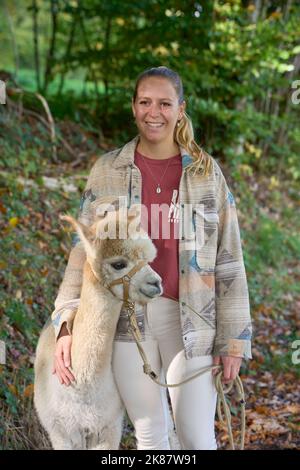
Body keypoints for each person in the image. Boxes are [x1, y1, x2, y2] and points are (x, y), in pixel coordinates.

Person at [51, 66, 252, 450]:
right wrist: (65, 322)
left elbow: (230, 258)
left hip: (193, 323)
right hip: (128, 324)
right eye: (145, 102)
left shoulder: (207, 174)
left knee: (195, 437)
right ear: (133, 107)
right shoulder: (107, 171)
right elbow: (84, 254)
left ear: (181, 109)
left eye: (164, 103)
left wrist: (234, 341)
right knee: (150, 437)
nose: (153, 112)